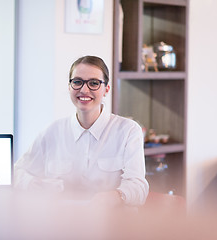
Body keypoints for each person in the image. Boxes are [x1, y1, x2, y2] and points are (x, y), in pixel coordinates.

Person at [14, 56, 149, 207]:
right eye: (77, 82)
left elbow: (139, 187)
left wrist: (116, 196)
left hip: (112, 223)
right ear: (69, 87)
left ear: (106, 89)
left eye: (94, 83)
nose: (84, 90)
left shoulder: (128, 131)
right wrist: (34, 184)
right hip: (61, 222)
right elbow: (16, 172)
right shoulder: (52, 132)